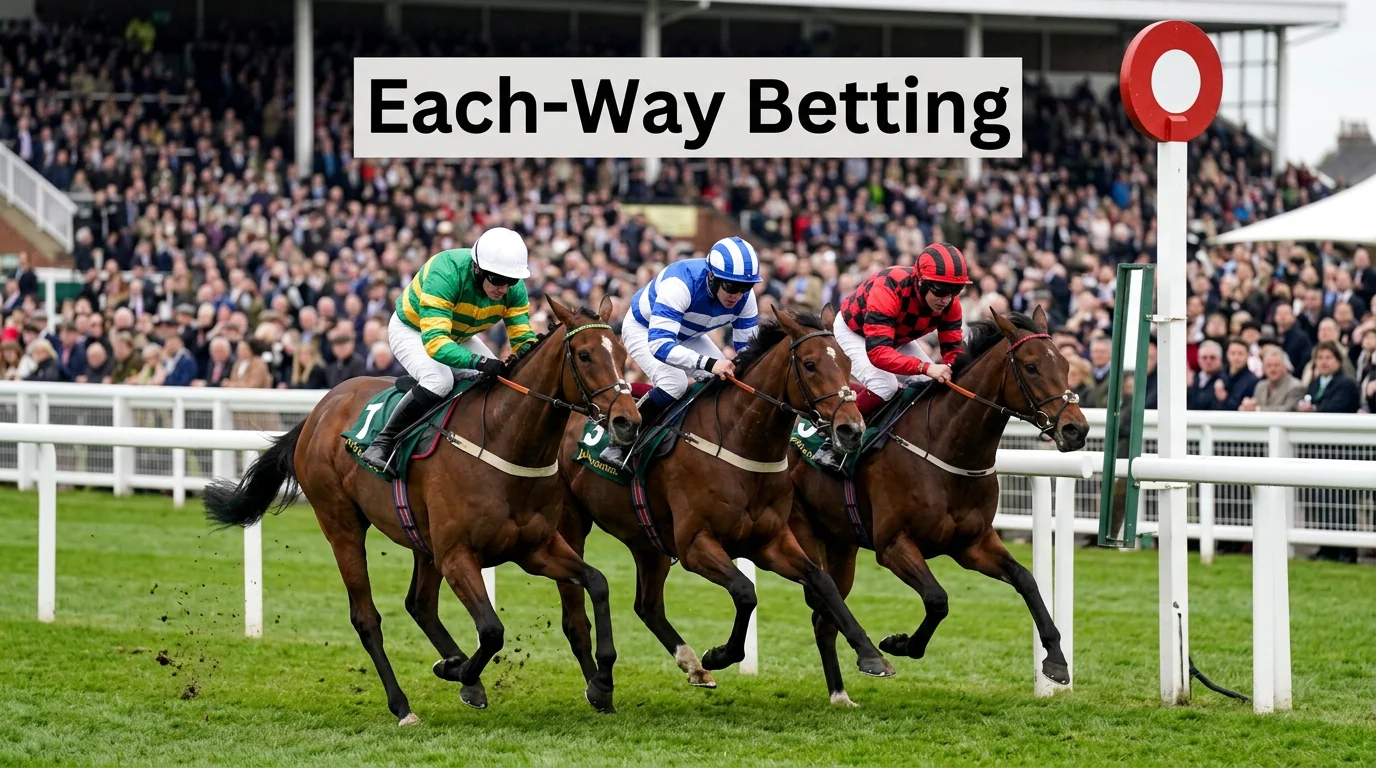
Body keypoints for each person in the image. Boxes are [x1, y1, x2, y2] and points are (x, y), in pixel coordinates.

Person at [360, 226, 538, 478]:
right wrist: (479, 361)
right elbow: (435, 342)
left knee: (499, 382)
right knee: (439, 381)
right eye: (498, 280)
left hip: (458, 335)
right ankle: (382, 442)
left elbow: (522, 339)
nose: (504, 289)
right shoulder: (446, 271)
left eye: (512, 281)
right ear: (478, 268)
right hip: (414, 330)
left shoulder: (512, 289)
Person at [598, 236, 761, 466]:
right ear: (712, 276)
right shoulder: (680, 283)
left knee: (725, 380)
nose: (737, 295)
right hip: (646, 329)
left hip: (688, 334)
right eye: (731, 286)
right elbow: (661, 345)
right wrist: (710, 364)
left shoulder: (745, 298)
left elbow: (748, 352)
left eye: (746, 287)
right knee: (675, 383)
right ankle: (620, 442)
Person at [810, 243, 970, 472]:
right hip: (855, 333)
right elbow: (878, 352)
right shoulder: (889, 287)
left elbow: (953, 351)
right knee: (885, 386)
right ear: (921, 281)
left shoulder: (950, 303)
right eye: (940, 289)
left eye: (954, 290)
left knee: (929, 384)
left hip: (895, 337)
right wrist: (926, 367)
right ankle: (831, 439)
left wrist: (952, 371)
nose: (946, 299)